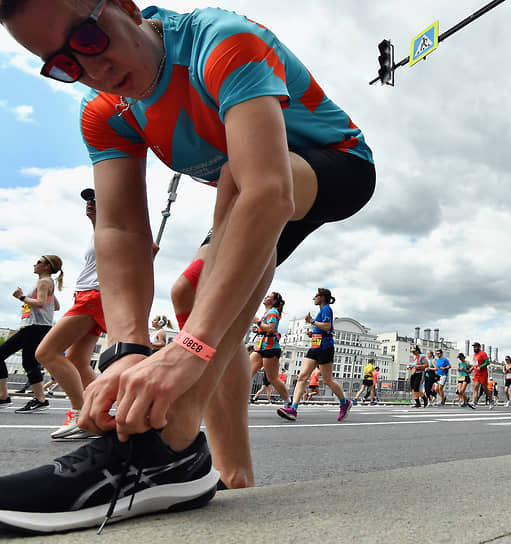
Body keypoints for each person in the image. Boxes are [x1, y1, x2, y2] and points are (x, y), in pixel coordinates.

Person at [0, 0, 376, 532]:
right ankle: (229, 473)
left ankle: (166, 449)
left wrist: (188, 351)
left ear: (126, 9)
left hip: (335, 165)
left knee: (238, 188)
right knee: (189, 294)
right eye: (64, 65)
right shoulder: (105, 108)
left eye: (88, 38)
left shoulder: (220, 42)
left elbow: (267, 191)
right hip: (248, 183)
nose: (93, 69)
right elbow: (120, 230)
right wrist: (127, 351)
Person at [33, 191, 104, 438]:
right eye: (89, 200)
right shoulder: (98, 232)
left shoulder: (116, 228)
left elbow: (150, 248)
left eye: (97, 199)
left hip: (94, 296)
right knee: (77, 361)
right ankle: (99, 413)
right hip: (88, 296)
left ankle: (80, 413)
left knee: (45, 353)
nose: (90, 204)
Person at [0, 255, 63, 413]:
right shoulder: (48, 283)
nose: (35, 265)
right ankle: (5, 396)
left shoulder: (44, 282)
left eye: (39, 262)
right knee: (27, 361)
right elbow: (55, 306)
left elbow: (41, 303)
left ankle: (39, 399)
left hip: (36, 327)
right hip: (34, 326)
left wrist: (22, 297)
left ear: (47, 267)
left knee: (28, 362)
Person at [278, 288, 351, 421]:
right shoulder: (322, 311)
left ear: (322, 297)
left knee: (328, 380)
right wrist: (313, 333)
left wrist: (312, 321)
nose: (314, 298)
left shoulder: (327, 309)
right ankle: (293, 409)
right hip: (315, 346)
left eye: (316, 296)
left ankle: (344, 402)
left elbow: (328, 327)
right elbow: (323, 328)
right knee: (301, 377)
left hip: (325, 347)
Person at [249, 292, 289, 407]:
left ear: (274, 301)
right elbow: (266, 329)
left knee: (272, 378)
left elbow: (271, 329)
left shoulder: (272, 312)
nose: (265, 297)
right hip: (261, 347)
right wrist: (258, 330)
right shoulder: (267, 313)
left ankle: (288, 402)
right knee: (247, 372)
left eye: (268, 297)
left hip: (270, 348)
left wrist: (257, 322)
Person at [470, 342, 494, 410]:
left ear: (479, 347)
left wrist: (481, 367)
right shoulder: (474, 355)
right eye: (474, 347)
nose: (475, 348)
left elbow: (487, 362)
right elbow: (475, 364)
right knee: (475, 387)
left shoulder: (483, 353)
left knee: (485, 389)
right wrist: (471, 369)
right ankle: (474, 403)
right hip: (476, 374)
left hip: (483, 374)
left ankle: (491, 401)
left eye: (476, 347)